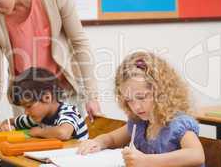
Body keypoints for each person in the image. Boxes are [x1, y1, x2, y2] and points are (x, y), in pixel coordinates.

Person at [0, 0, 102, 134]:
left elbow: (79, 43)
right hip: (28, 103)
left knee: (70, 152)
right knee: (29, 158)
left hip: (64, 95)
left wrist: (92, 97)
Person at [77, 52, 205, 167]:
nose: (136, 107)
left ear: (161, 93)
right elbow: (113, 139)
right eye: (129, 100)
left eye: (142, 97)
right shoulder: (139, 123)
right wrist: (98, 142)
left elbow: (196, 155)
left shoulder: (177, 123)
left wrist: (146, 161)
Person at [0, 67, 88, 140]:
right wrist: (7, 126)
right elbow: (9, 122)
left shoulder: (68, 111)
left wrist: (39, 132)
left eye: (29, 106)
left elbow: (63, 133)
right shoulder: (35, 118)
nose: (26, 112)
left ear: (47, 97)